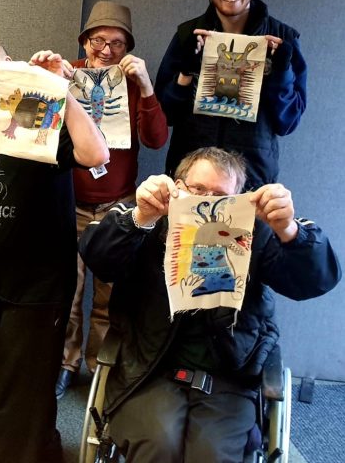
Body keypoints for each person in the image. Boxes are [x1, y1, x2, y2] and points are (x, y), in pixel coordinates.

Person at [81, 146, 341, 462]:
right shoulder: (147, 220)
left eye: (219, 194)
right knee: (158, 444)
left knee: (211, 454)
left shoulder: (256, 234)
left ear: (238, 200)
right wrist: (140, 217)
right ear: (176, 188)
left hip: (229, 375)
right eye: (197, 189)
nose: (206, 200)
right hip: (150, 370)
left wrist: (289, 231)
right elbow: (98, 257)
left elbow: (314, 280)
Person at [0, 33, 109, 463]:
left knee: (13, 397)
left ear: (9, 66)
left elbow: (94, 152)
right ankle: (45, 450)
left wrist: (57, 90)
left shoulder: (32, 111)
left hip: (38, 285)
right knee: (24, 381)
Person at [56, 1, 168, 399]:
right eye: (98, 40)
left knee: (109, 296)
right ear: (84, 41)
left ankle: (97, 368)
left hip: (117, 207)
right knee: (67, 291)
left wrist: (148, 85)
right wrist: (49, 78)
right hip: (69, 202)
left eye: (116, 43)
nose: (105, 50)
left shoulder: (134, 84)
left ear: (128, 48)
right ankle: (64, 363)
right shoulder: (67, 73)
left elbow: (156, 139)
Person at [155, 0, 306, 191]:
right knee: (184, 232)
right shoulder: (187, 36)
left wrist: (280, 73)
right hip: (192, 176)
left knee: (246, 232)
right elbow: (165, 116)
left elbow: (287, 123)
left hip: (252, 178)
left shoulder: (283, 39)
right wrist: (185, 73)